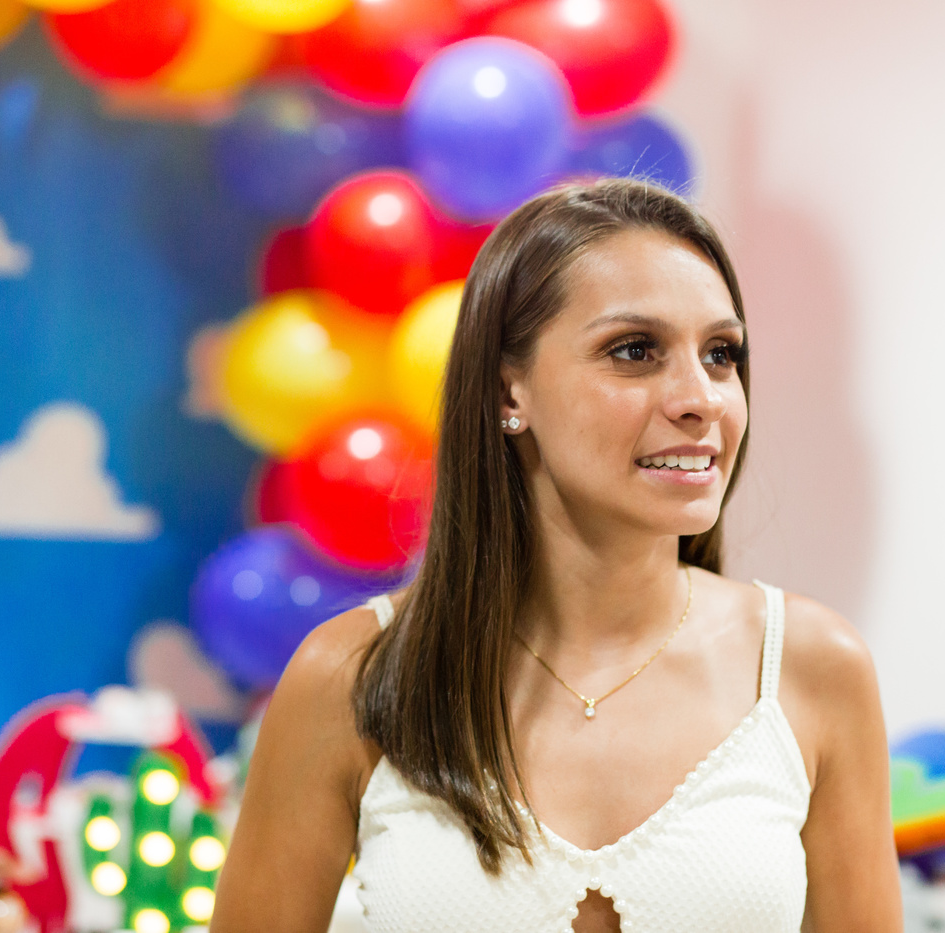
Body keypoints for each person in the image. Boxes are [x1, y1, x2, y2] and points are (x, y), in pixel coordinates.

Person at [212, 178, 902, 932]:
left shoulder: (812, 668)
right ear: (510, 392)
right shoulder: (349, 676)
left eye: (720, 354)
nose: (701, 397)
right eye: (634, 351)